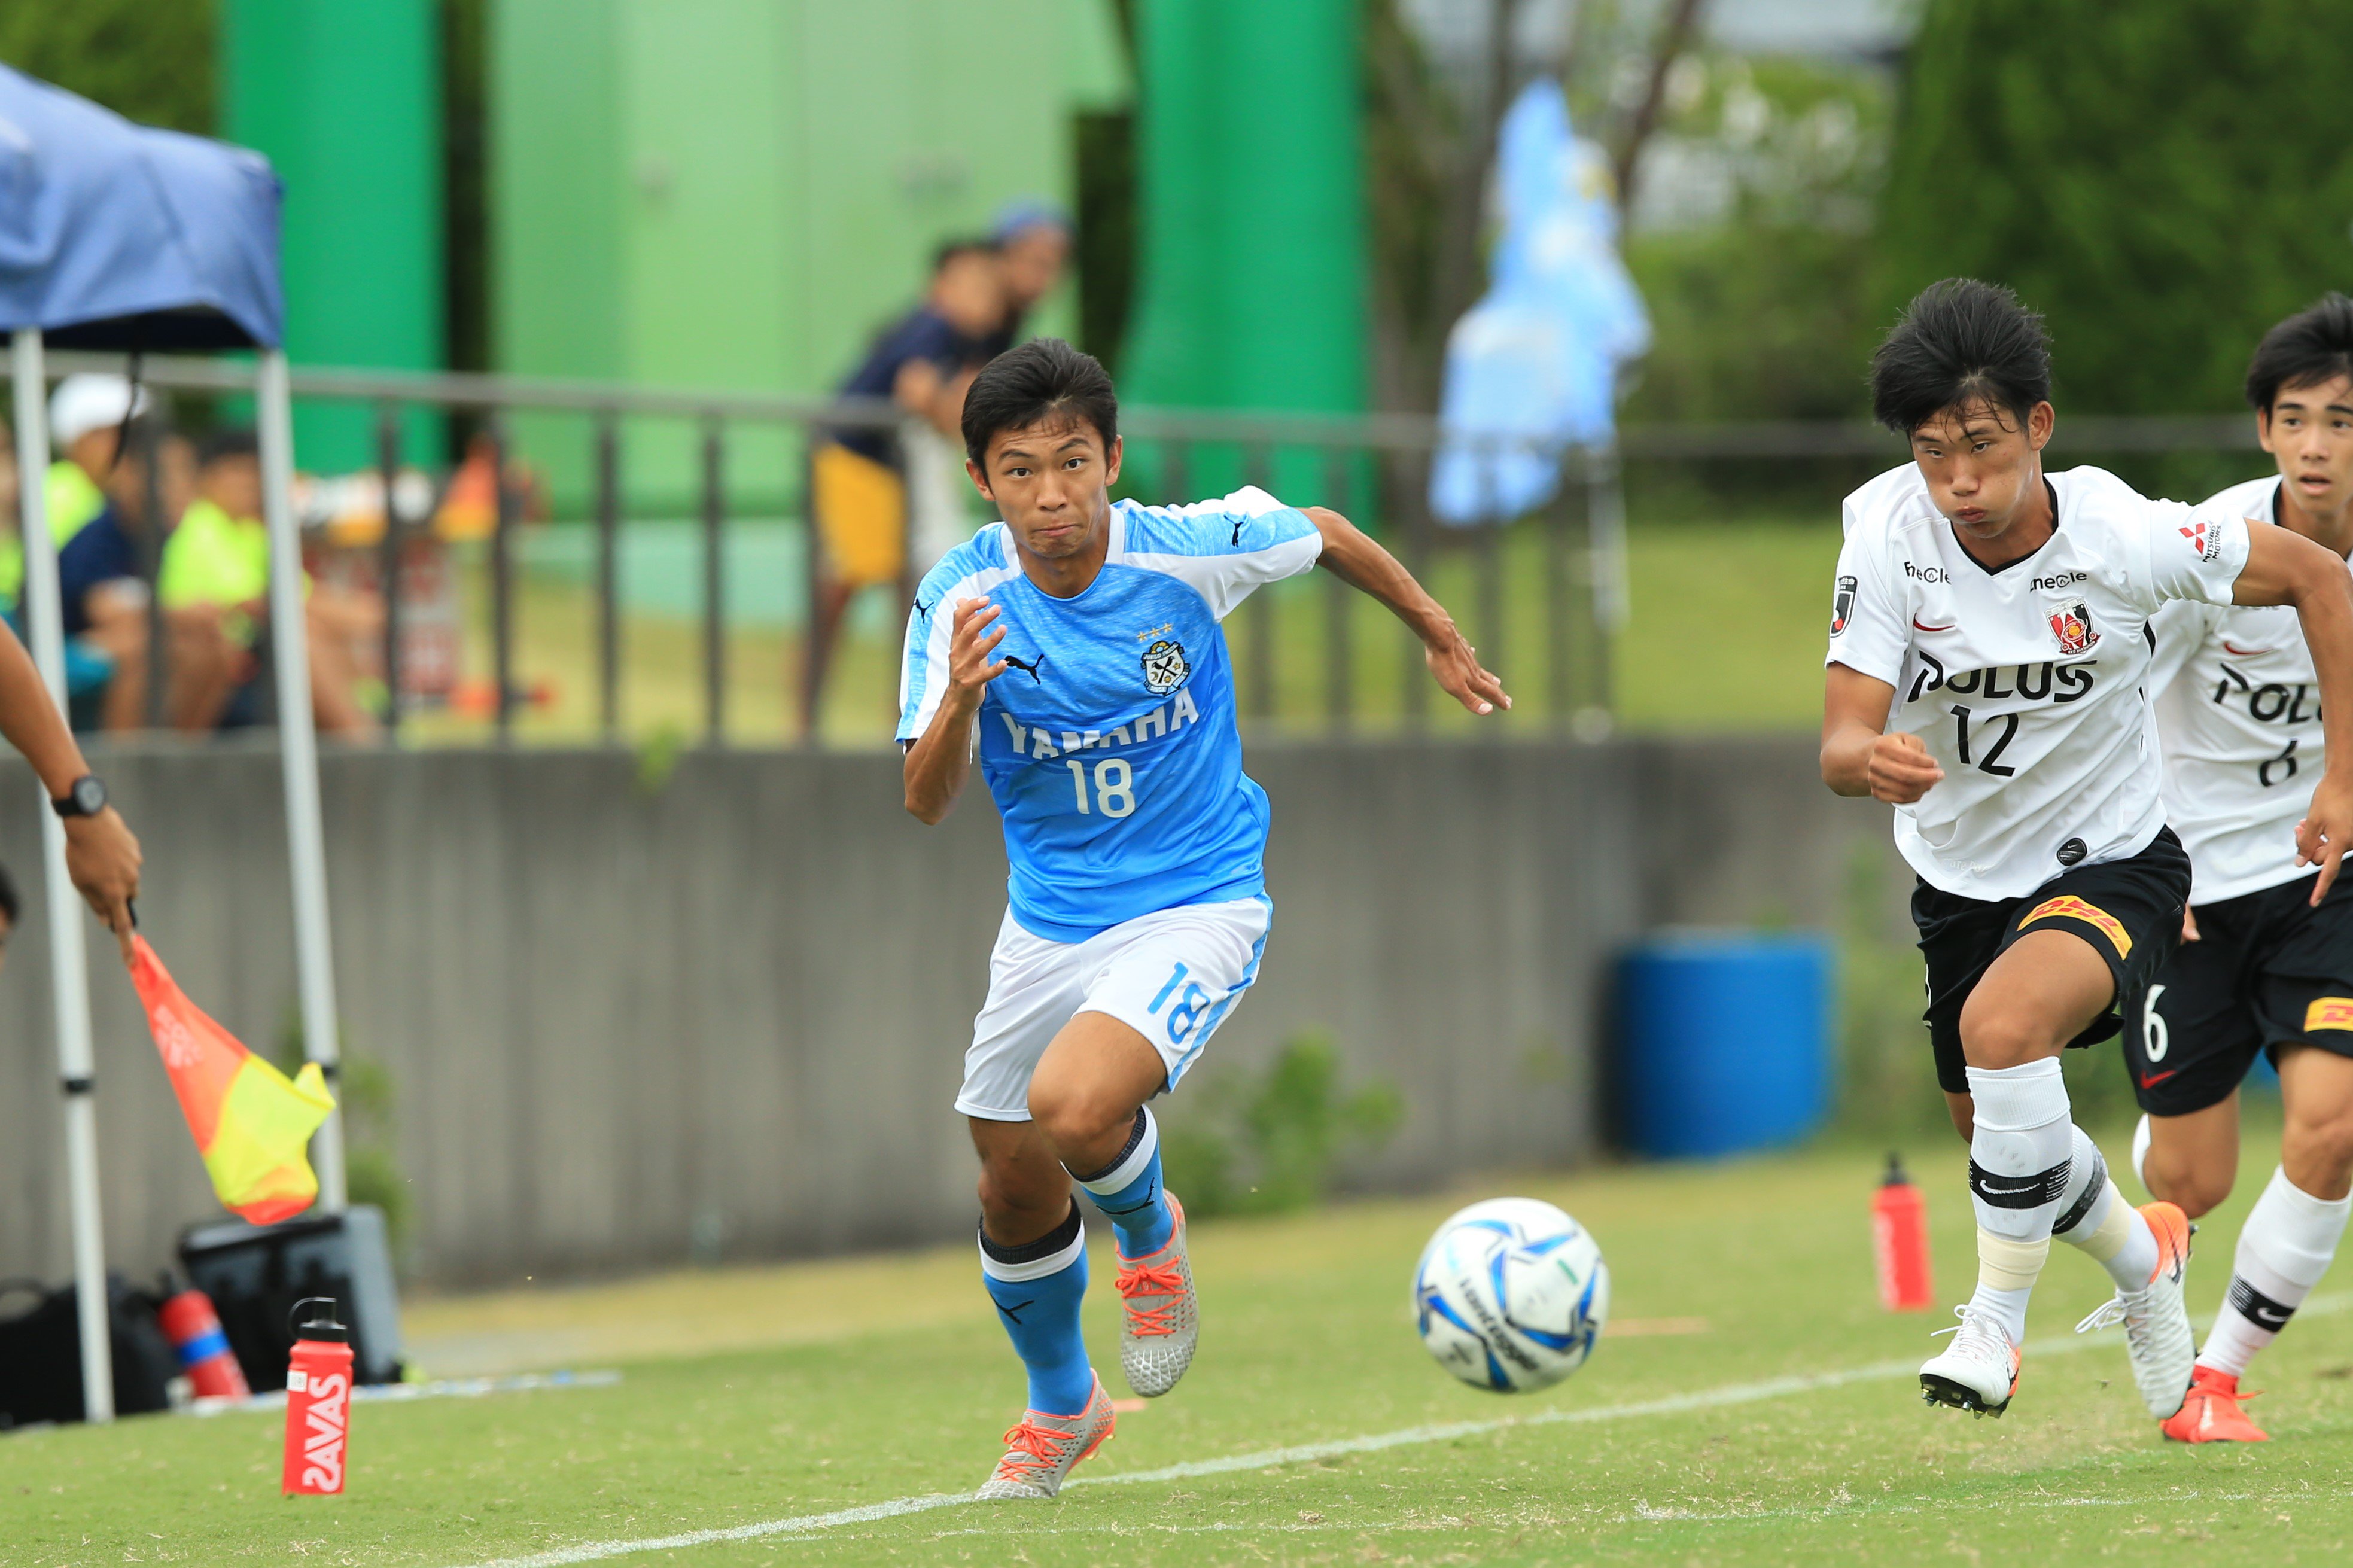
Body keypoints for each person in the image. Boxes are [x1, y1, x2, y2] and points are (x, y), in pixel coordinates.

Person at [900, 339, 1508, 1499]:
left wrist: (1432, 625)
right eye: (1019, 469)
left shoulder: (1185, 548)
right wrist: (963, 696)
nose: (1050, 495)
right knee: (1008, 1180)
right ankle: (1062, 1404)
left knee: (1077, 1106)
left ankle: (1149, 1234)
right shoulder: (958, 598)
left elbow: (1323, 527)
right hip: (1049, 919)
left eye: (1072, 462)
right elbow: (923, 800)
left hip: (1197, 898)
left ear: (1112, 460)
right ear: (983, 478)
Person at [1819, 279, 2353, 1424]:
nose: (1958, 479)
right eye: (1931, 454)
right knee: (2009, 1136)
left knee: (2004, 1030)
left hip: (2116, 859)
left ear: (2036, 428)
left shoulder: (2128, 535)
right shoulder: (1884, 536)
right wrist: (1872, 760)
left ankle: (1990, 1325)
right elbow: (1836, 738)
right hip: (1960, 876)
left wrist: (2343, 778)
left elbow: (2314, 576)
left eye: (1979, 445)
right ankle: (2141, 1262)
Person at [2122, 294, 2353, 1442]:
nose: (2317, 444)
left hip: (2328, 878)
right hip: (2191, 885)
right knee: (2189, 1176)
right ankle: (2146, 1236)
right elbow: (2112, 699)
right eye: (2295, 418)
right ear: (2263, 429)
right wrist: (2145, 862)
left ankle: (2211, 1379)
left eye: (2343, 420)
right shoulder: (2206, 548)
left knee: (2332, 1120)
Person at [805, 240, 1008, 730]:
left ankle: (895, 711)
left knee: (896, 579)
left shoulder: (958, 340)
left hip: (880, 467)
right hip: (856, 460)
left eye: (990, 289)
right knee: (846, 580)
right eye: (970, 286)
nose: (983, 299)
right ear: (939, 289)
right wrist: (960, 424)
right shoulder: (934, 327)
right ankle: (809, 715)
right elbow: (915, 392)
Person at [162, 429, 381, 738]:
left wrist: (357, 615)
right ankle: (364, 739)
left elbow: (301, 594)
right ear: (207, 478)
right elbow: (261, 603)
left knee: (312, 631)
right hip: (215, 666)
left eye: (254, 469)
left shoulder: (253, 533)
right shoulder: (201, 527)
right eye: (236, 470)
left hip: (251, 656)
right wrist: (368, 617)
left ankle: (366, 734)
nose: (249, 480)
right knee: (303, 636)